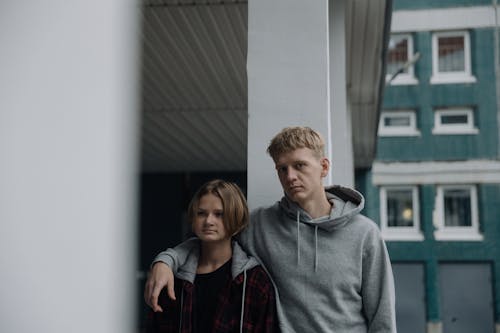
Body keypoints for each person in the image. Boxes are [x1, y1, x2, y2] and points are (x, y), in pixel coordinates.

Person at [145, 127, 396, 332]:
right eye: (282, 168)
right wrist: (166, 261)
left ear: (324, 167)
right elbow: (211, 238)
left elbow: (381, 317)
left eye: (300, 165)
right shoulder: (260, 225)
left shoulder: (365, 234)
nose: (290, 176)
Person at [144, 179, 278, 333]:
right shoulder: (171, 277)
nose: (208, 221)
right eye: (201, 213)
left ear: (236, 219)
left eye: (219, 214)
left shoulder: (255, 281)